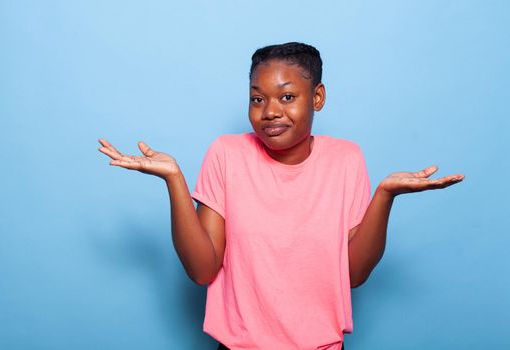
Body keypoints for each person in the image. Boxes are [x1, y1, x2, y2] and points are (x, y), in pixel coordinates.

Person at [98, 42, 464, 350]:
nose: (270, 111)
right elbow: (202, 270)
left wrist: (385, 195)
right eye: (258, 99)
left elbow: (351, 274)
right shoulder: (227, 153)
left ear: (317, 97)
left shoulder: (346, 158)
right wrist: (174, 181)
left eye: (287, 97)